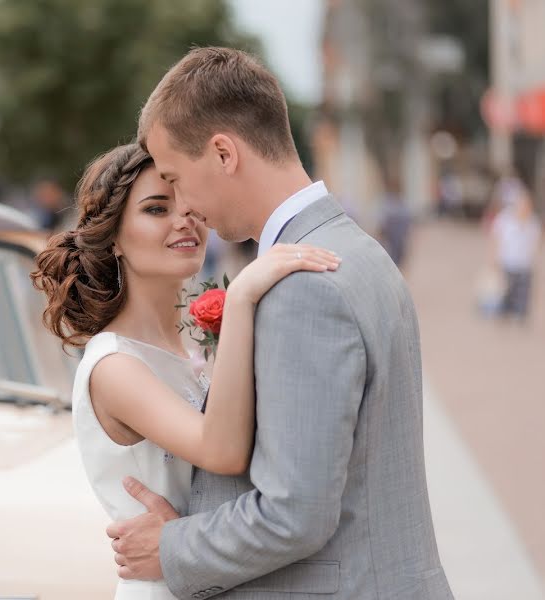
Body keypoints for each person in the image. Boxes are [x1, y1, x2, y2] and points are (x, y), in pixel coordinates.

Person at [106, 47, 453, 599]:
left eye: (176, 178)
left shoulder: (302, 286)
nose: (185, 206)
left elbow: (295, 513)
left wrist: (169, 548)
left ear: (223, 153)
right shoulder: (356, 249)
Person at [31, 143, 339, 600]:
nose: (185, 221)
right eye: (157, 208)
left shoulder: (198, 338)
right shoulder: (113, 366)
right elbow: (222, 450)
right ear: (113, 236)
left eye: (190, 206)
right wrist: (242, 298)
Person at [491, 186, 541, 322]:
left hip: (525, 264)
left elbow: (536, 243)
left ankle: (519, 316)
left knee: (523, 295)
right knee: (507, 292)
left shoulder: (533, 222)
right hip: (509, 262)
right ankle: (504, 314)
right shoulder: (505, 219)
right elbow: (496, 239)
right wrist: (493, 259)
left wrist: (535, 260)